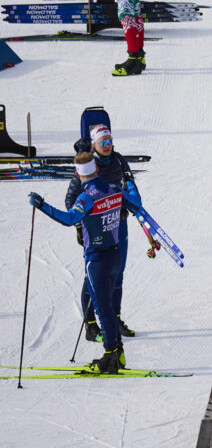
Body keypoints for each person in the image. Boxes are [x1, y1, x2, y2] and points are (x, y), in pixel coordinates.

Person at [29, 152, 144, 373]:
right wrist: (129, 184)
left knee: (103, 309)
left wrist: (41, 205)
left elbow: (68, 219)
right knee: (108, 308)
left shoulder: (86, 198)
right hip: (115, 256)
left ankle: (110, 357)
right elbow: (137, 204)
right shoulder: (115, 190)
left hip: (96, 260)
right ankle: (117, 354)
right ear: (97, 169)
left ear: (77, 174)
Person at [66, 124, 153, 344]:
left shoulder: (118, 160)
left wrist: (132, 206)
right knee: (94, 275)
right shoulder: (87, 164)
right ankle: (91, 325)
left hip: (117, 222)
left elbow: (128, 185)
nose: (107, 145)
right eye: (102, 142)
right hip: (95, 225)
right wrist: (80, 224)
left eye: (109, 141)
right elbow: (70, 200)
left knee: (118, 271)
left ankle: (115, 320)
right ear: (94, 144)